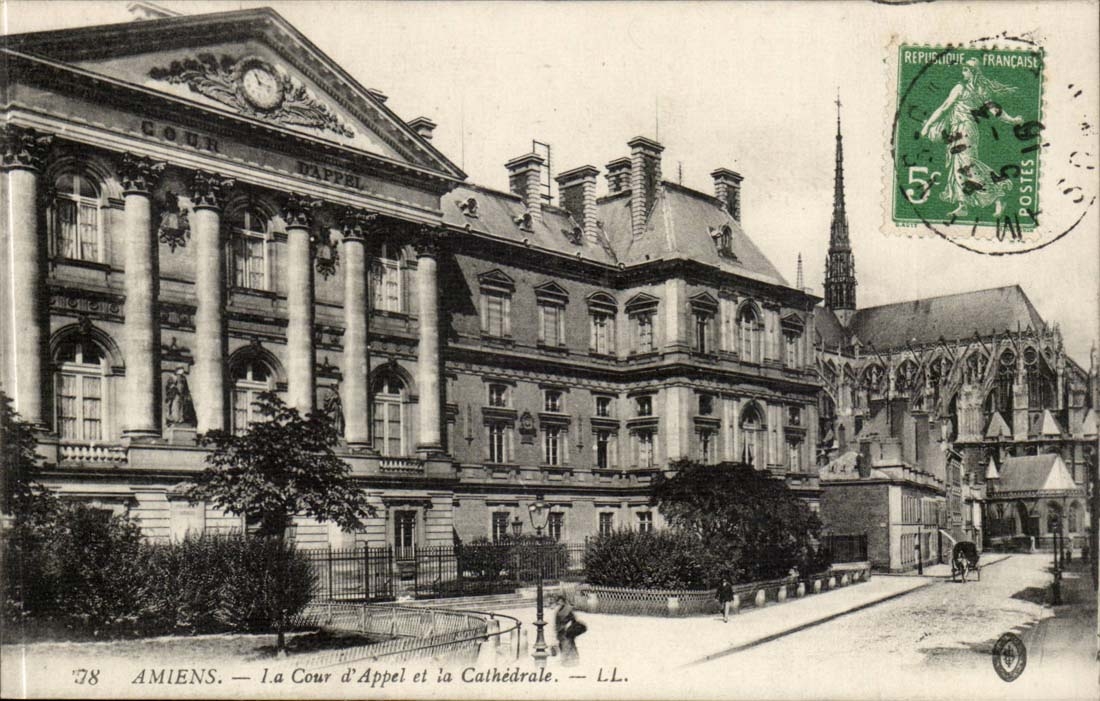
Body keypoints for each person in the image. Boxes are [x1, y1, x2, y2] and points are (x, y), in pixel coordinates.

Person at [919, 57, 1024, 219]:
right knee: (958, 165)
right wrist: (1012, 120)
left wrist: (927, 126)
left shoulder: (961, 88)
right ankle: (963, 205)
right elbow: (997, 111)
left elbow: (944, 107)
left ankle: (998, 196)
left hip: (964, 129)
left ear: (973, 72)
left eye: (966, 69)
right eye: (963, 69)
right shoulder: (982, 90)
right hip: (961, 130)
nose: (963, 72)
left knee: (967, 165)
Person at [553, 593, 585, 666]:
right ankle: (568, 660)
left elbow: (573, 619)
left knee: (568, 644)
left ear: (564, 601)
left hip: (567, 630)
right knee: (563, 644)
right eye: (558, 601)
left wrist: (570, 626)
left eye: (561, 601)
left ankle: (570, 660)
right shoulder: (558, 610)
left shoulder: (568, 609)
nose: (559, 603)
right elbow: (557, 621)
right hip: (560, 630)